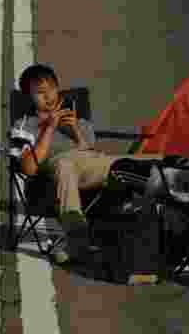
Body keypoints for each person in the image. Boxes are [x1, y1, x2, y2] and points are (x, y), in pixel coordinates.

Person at [10, 64, 162, 264]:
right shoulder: (24, 125)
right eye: (40, 93)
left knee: (160, 162)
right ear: (28, 96)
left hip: (96, 169)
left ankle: (175, 231)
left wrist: (75, 131)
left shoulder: (78, 122)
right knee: (65, 163)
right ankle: (76, 241)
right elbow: (28, 168)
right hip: (52, 176)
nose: (48, 97)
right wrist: (49, 128)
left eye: (52, 90)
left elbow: (93, 157)